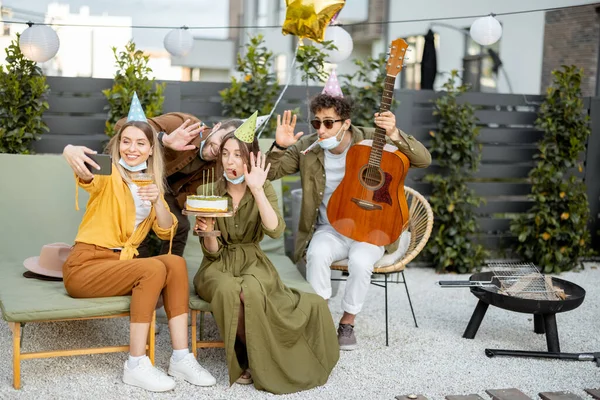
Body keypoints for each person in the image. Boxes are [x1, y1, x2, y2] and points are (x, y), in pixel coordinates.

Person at [61, 94, 216, 392]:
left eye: (140, 143)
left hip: (118, 265)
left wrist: (158, 201)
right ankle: (135, 363)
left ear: (150, 150)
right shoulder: (108, 174)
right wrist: (69, 150)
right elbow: (84, 173)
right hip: (86, 266)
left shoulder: (149, 183)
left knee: (174, 262)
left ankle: (181, 357)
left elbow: (167, 230)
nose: (132, 148)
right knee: (152, 269)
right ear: (118, 145)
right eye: (126, 141)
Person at [266, 91, 432, 351]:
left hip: (371, 229)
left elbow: (423, 160)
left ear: (346, 122)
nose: (321, 129)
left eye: (329, 122)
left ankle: (347, 322)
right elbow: (270, 173)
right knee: (317, 254)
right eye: (316, 122)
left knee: (360, 260)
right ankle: (318, 318)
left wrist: (396, 134)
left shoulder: (372, 139)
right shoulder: (308, 147)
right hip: (329, 228)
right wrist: (280, 146)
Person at [193, 113, 339, 394]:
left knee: (250, 290)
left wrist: (257, 189)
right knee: (226, 290)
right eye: (225, 154)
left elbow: (274, 230)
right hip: (217, 264)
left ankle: (264, 356)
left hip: (253, 261)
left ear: (251, 158)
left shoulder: (263, 187)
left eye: (238, 154)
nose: (230, 161)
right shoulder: (207, 191)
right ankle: (251, 357)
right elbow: (211, 252)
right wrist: (208, 232)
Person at [65, 113, 243, 257]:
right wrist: (164, 140)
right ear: (217, 127)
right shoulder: (185, 124)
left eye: (227, 147)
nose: (220, 149)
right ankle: (138, 259)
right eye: (221, 139)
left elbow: (185, 197)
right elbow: (123, 124)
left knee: (180, 226)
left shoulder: (218, 167)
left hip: (165, 191)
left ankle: (167, 266)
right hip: (132, 174)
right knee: (131, 212)